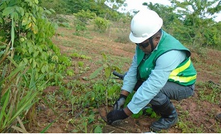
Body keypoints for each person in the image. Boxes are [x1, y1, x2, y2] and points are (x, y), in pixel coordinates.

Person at [106, 9, 197, 132]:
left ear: (157, 38)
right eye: (137, 44)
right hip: (164, 80)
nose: (140, 48)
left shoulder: (170, 53)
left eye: (142, 45)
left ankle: (170, 117)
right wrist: (123, 96)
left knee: (152, 91)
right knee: (135, 81)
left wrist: (124, 113)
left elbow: (152, 86)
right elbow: (134, 69)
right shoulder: (145, 43)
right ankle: (155, 105)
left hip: (183, 85)